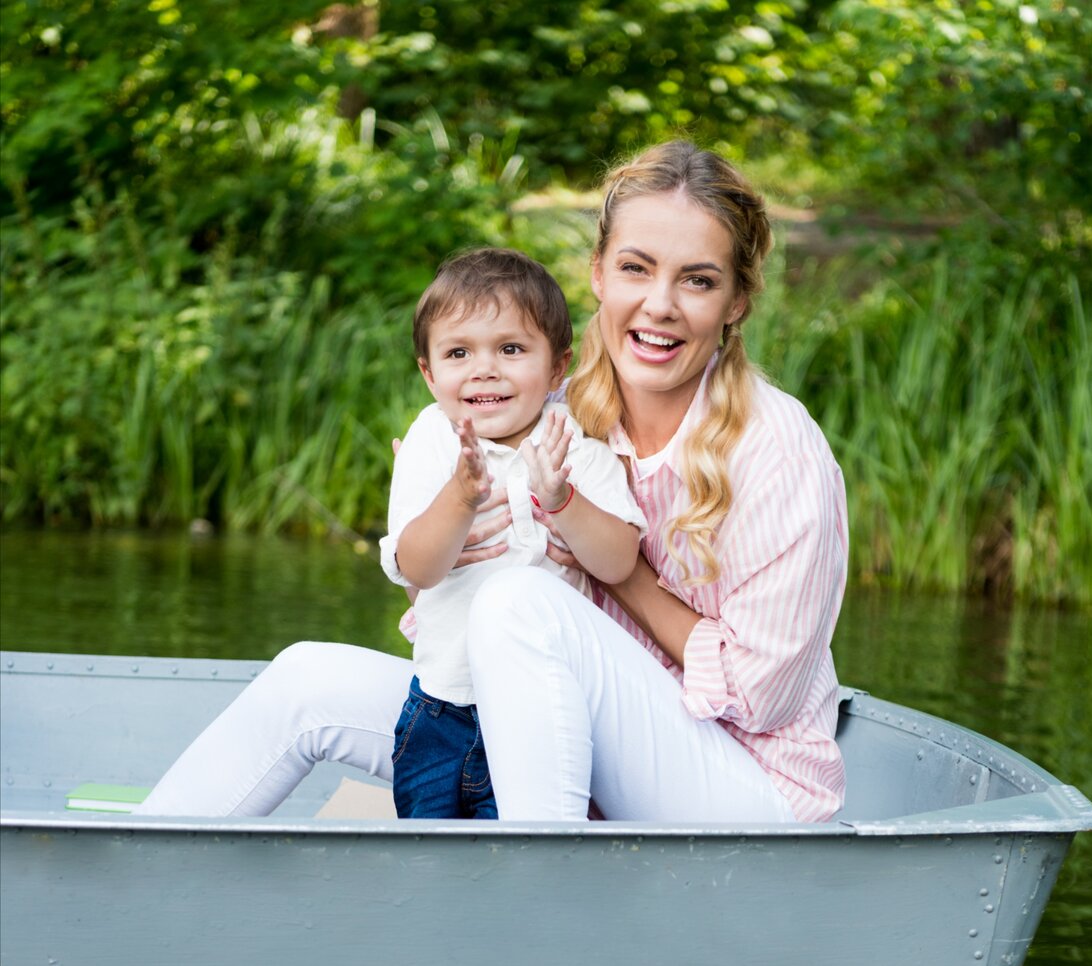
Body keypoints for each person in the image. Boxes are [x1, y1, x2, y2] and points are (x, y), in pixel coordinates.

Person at [135, 140, 848, 823]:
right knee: (306, 681)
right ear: (598, 273)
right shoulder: (546, 413)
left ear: (736, 302)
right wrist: (443, 513)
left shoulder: (775, 449)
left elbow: (762, 696)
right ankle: (124, 873)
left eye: (697, 280)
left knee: (519, 602)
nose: (660, 304)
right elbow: (439, 604)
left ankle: (530, 897)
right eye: (637, 268)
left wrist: (622, 578)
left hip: (742, 786)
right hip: (569, 740)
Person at [380, 247, 645, 819]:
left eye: (510, 349)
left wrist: (561, 500)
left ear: (556, 367)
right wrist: (460, 497)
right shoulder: (433, 440)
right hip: (440, 710)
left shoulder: (571, 440)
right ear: (429, 374)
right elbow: (418, 569)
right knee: (426, 859)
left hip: (541, 713)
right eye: (458, 352)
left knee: (515, 856)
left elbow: (619, 561)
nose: (485, 369)